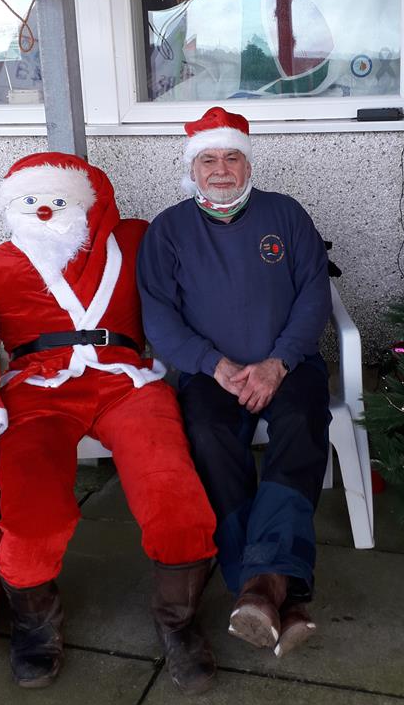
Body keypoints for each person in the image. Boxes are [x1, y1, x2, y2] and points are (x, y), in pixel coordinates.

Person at [0, 151, 218, 694]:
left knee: (174, 495)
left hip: (126, 381)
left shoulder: (136, 242)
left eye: (58, 199)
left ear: (91, 203)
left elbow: (205, 254)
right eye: (30, 201)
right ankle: (35, 620)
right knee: (29, 505)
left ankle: (178, 620)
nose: (44, 211)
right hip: (38, 390)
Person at [137, 107, 332, 657]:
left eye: (231, 157)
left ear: (248, 163)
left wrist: (279, 362)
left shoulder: (286, 214)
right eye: (208, 159)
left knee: (301, 423)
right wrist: (213, 364)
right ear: (192, 168)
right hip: (210, 373)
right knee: (207, 437)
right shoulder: (168, 230)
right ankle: (279, 590)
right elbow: (159, 316)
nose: (220, 169)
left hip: (286, 365)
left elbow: (313, 293)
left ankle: (255, 588)